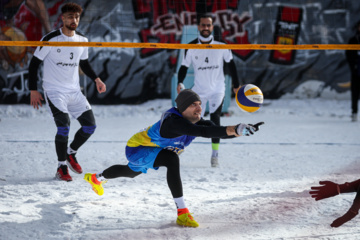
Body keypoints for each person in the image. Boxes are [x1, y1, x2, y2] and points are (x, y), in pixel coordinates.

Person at [84, 89, 264, 228]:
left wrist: (241, 132)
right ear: (182, 108)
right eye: (194, 104)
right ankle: (182, 212)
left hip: (153, 151)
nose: (199, 107)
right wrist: (236, 128)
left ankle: (96, 178)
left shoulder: (196, 121)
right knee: (171, 159)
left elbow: (215, 131)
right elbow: (203, 132)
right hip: (138, 148)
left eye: (200, 104)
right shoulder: (173, 122)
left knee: (129, 173)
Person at [28, 2, 106, 182]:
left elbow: (84, 64)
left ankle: (71, 153)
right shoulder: (51, 38)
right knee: (63, 126)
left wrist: (97, 79)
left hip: (74, 91)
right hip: (54, 91)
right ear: (62, 18)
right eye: (70, 17)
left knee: (90, 126)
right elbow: (34, 65)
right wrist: (33, 90)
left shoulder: (83, 40)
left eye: (77, 17)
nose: (74, 20)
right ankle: (61, 166)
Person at [177, 14, 241, 167]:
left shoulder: (221, 45)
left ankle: (215, 155)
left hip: (217, 89)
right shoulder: (191, 47)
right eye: (203, 25)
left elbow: (231, 65)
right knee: (191, 121)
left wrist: (236, 84)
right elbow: (184, 67)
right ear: (198, 27)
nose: (206, 28)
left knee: (215, 120)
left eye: (208, 25)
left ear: (212, 27)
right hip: (199, 90)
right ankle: (179, 147)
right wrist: (180, 81)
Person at [345, 20, 360, 122]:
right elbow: (348, 55)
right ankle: (354, 113)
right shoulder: (353, 40)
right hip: (356, 70)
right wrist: (353, 67)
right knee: (355, 93)